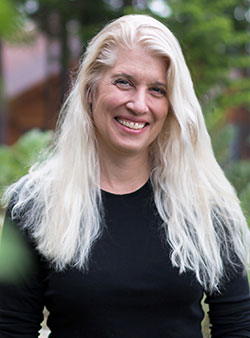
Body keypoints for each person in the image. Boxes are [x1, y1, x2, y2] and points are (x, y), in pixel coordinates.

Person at [0, 14, 250, 338]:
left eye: (157, 90)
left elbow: (237, 326)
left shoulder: (205, 205)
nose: (139, 104)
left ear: (172, 105)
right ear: (90, 89)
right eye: (124, 82)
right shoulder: (35, 203)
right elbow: (11, 330)